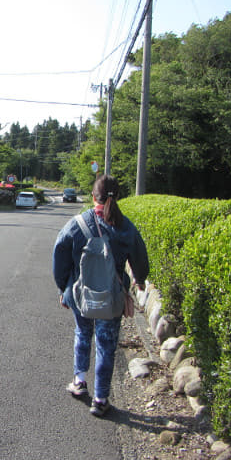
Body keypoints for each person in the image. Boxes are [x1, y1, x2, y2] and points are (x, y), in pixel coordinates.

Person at [52, 175, 149, 417]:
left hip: (80, 294)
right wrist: (139, 278)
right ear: (118, 196)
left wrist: (63, 288)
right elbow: (139, 256)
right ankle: (101, 398)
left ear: (93, 196)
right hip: (111, 297)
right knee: (106, 344)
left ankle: (79, 381)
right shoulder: (125, 226)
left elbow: (60, 255)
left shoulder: (76, 224)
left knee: (83, 333)